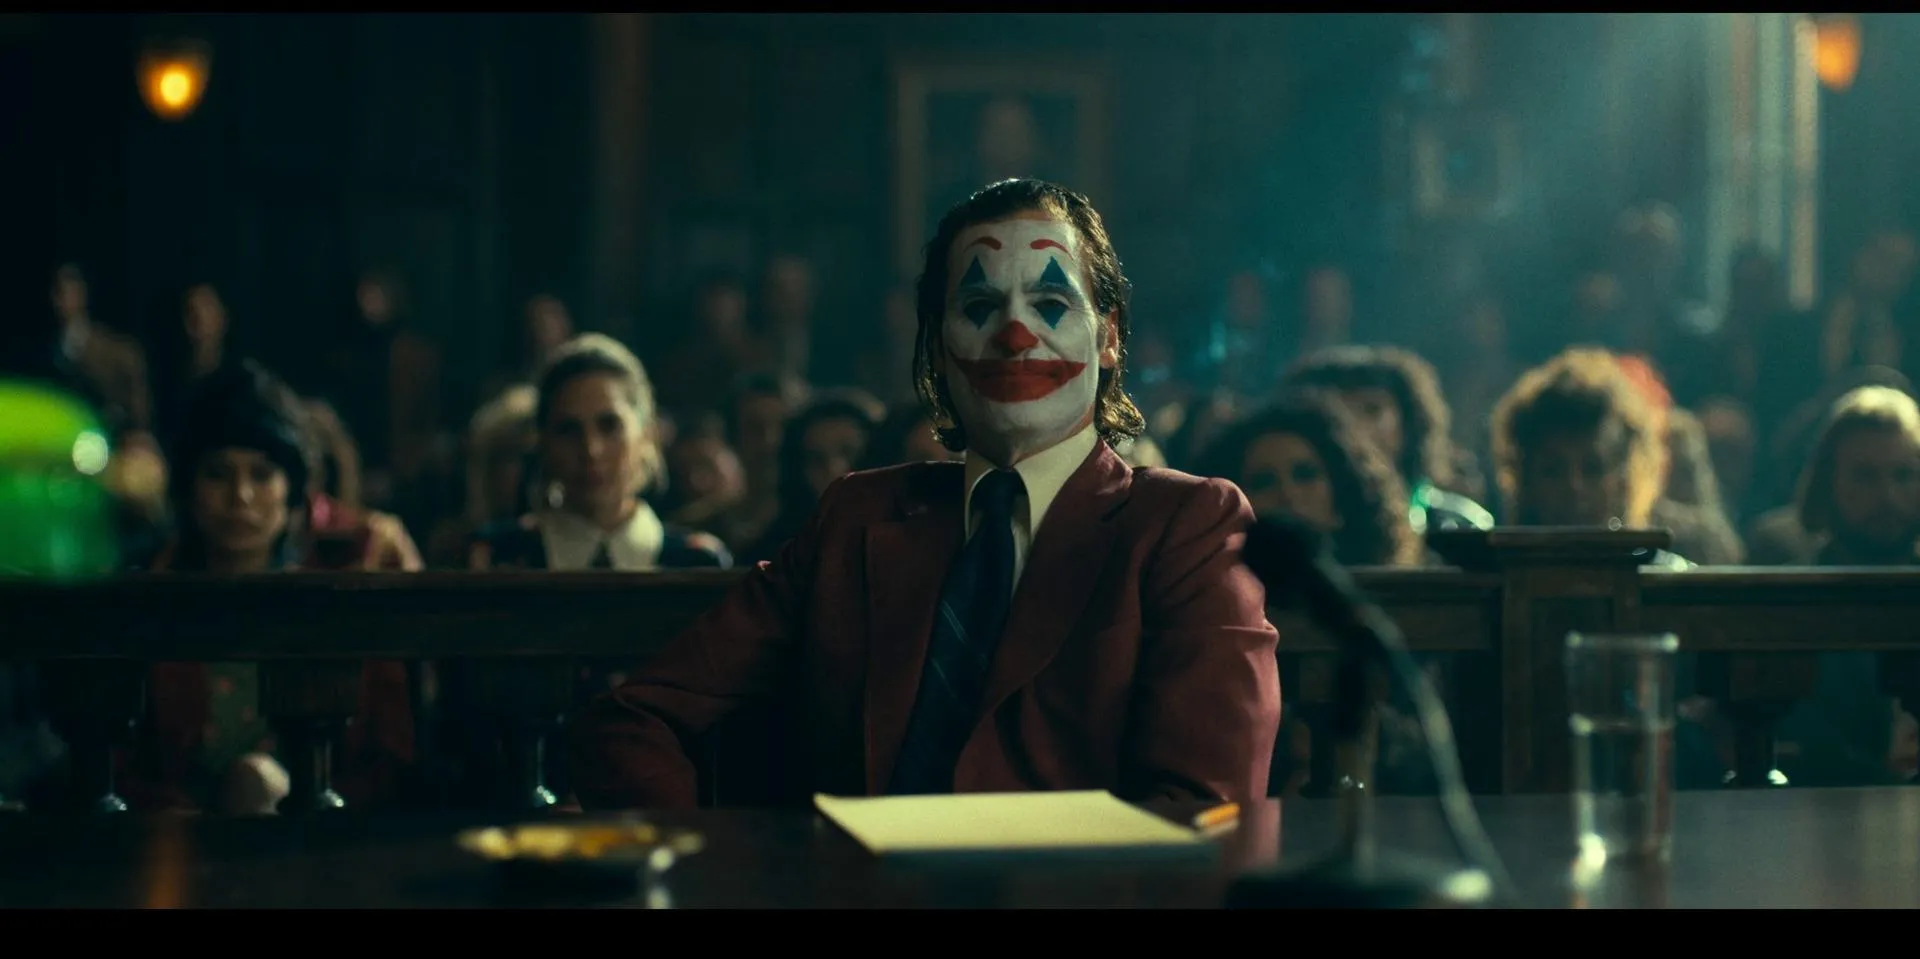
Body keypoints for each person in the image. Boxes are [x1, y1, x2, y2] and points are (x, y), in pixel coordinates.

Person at [570, 178, 1281, 808]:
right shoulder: (856, 520)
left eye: (1050, 302)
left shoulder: (1186, 524)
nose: (1014, 334)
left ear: (1109, 338)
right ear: (939, 344)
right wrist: (716, 872)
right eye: (979, 304)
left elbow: (1206, 805)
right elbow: (636, 718)